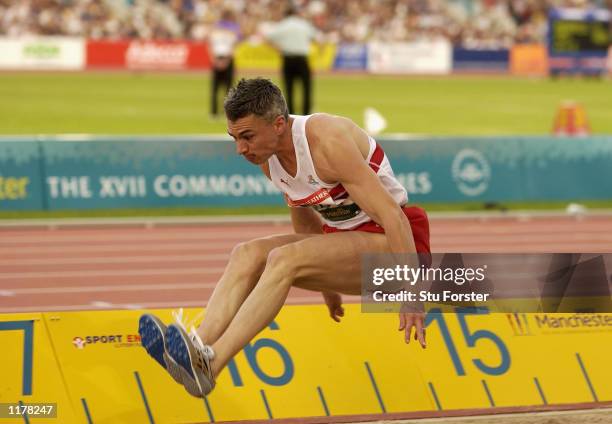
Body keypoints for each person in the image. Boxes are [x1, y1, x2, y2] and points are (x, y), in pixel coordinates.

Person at [138, 78, 431, 398]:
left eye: (247, 137)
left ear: (278, 124)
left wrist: (413, 292)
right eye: (234, 138)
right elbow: (306, 223)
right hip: (346, 243)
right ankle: (195, 347)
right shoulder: (269, 160)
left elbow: (394, 217)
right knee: (246, 253)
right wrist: (326, 284)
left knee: (283, 259)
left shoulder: (327, 141)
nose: (240, 149)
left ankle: (212, 363)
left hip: (400, 247)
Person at [265, 3, 317, 115]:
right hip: (302, 59)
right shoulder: (303, 24)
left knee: (289, 89)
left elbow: (268, 38)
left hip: (287, 58)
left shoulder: (282, 25)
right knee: (306, 88)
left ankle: (290, 113)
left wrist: (278, 49)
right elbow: (315, 37)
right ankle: (306, 113)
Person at [208, 9, 240, 118]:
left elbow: (210, 46)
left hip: (218, 58)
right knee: (229, 89)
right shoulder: (233, 29)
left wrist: (215, 61)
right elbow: (233, 47)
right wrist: (226, 61)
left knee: (215, 88)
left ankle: (213, 113)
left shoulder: (215, 30)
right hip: (227, 59)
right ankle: (228, 112)